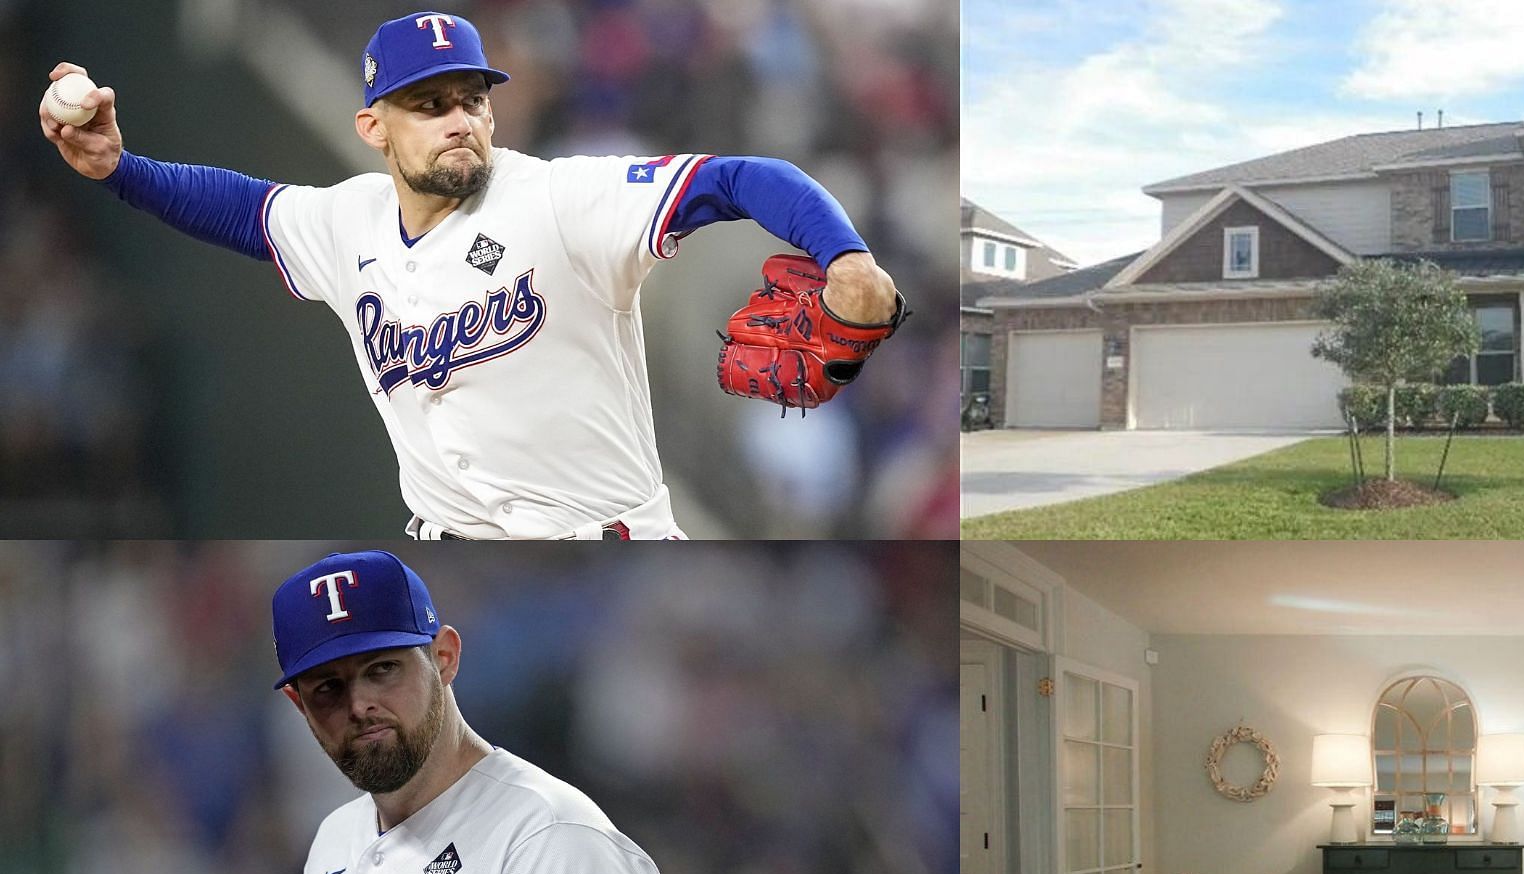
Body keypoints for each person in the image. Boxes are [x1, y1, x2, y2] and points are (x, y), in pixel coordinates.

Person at [40, 10, 902, 539]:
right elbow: (240, 208)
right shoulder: (348, 220)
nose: (459, 119)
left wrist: (848, 259)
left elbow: (741, 179)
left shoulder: (561, 197)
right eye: (429, 103)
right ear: (373, 126)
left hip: (604, 544)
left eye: (472, 98)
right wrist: (119, 168)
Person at [273, 549, 667, 874]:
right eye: (328, 688)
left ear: (444, 658)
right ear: (300, 705)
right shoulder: (332, 843)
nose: (359, 705)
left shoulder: (549, 836)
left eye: (381, 669)